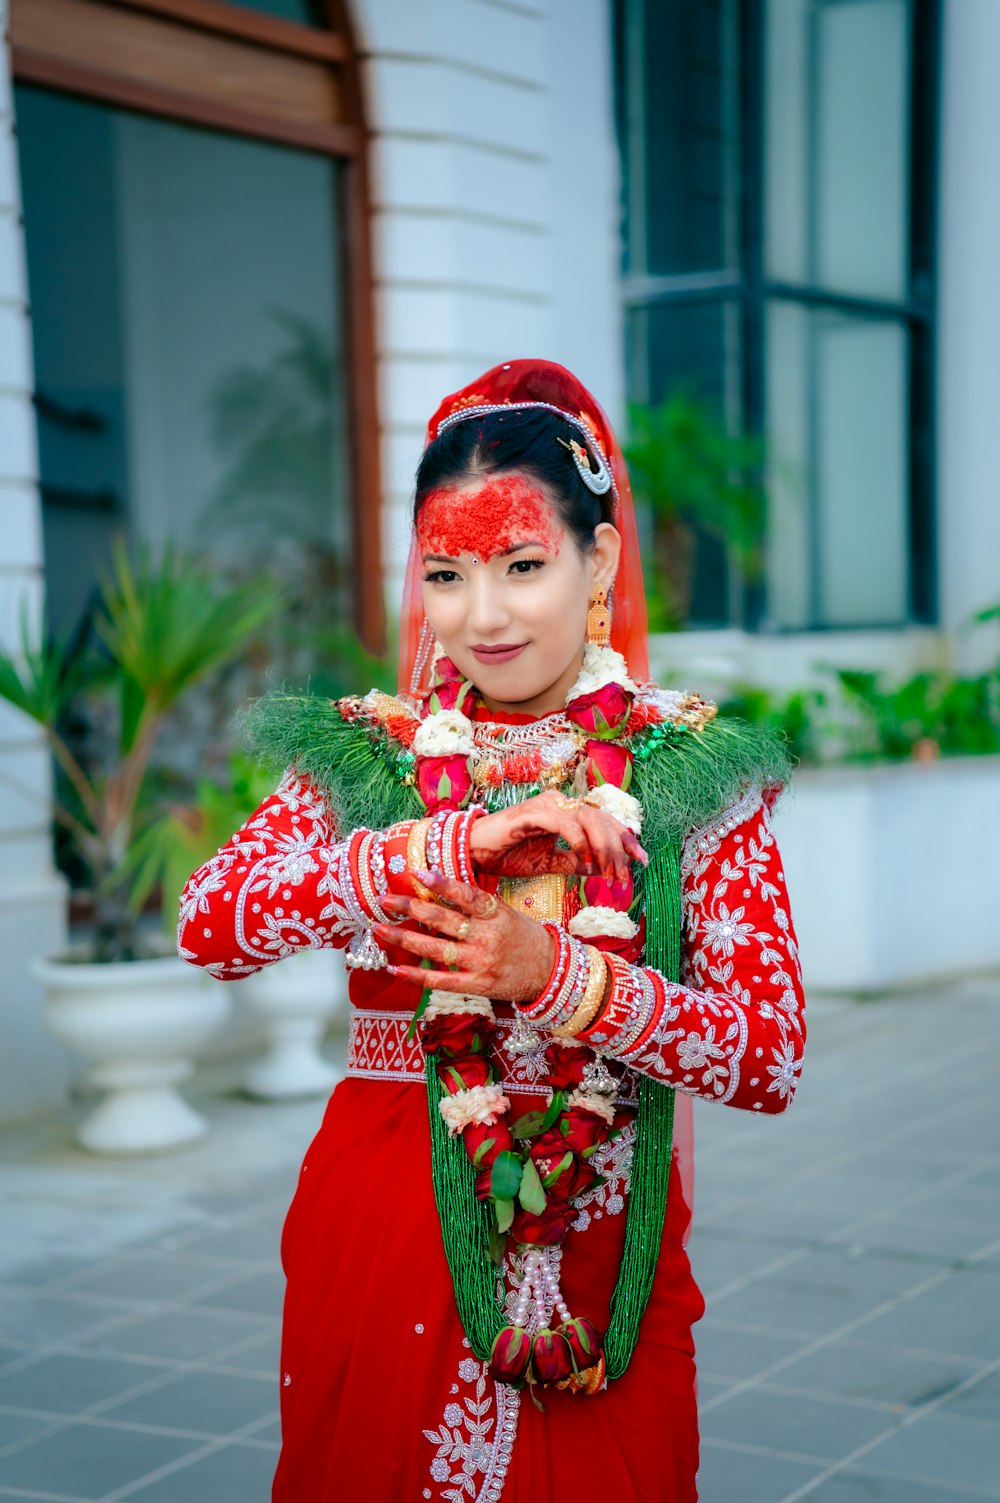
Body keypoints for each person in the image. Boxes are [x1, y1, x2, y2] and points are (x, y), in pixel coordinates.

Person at [178, 359, 806, 1502]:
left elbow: (766, 1054)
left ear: (599, 559)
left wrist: (558, 978)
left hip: (601, 1240)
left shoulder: (694, 773)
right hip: (385, 1217)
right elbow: (209, 922)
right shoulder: (366, 756)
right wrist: (446, 847)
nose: (483, 613)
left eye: (522, 565)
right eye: (446, 573)